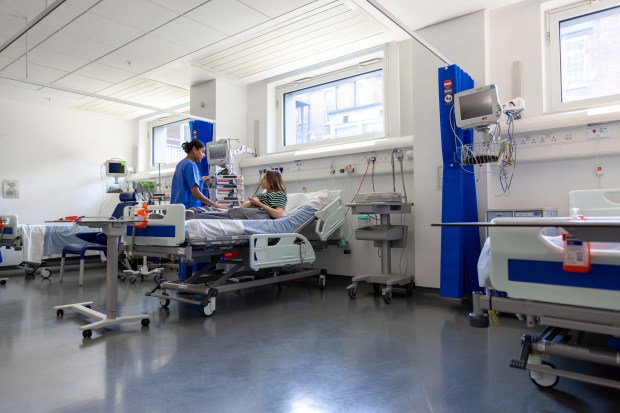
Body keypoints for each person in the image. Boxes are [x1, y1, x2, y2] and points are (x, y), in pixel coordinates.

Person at [190, 170, 287, 220]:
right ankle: (196, 211)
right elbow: (248, 204)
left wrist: (259, 203)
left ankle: (196, 215)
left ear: (272, 181)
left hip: (260, 214)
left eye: (264, 178)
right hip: (250, 210)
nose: (261, 180)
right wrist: (232, 209)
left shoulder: (279, 194)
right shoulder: (264, 194)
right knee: (225, 212)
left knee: (227, 215)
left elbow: (278, 214)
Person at [170, 140, 222, 210]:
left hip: (177, 208)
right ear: (194, 149)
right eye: (202, 151)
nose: (204, 155)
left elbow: (184, 184)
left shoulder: (181, 164)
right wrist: (215, 205)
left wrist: (200, 180)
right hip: (188, 208)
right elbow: (195, 193)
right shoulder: (191, 165)